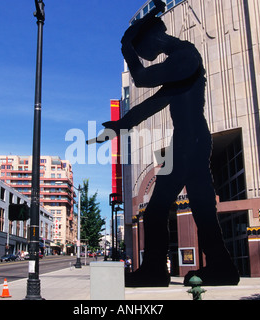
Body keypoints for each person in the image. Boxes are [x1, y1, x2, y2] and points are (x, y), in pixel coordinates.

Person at [96, 1, 239, 287]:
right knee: (200, 205)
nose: (141, 55)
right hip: (190, 139)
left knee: (158, 208)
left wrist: (126, 48)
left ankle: (154, 270)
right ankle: (221, 265)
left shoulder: (185, 56)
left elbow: (142, 79)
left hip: (190, 139)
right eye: (136, 53)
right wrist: (122, 124)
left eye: (139, 49)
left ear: (151, 37)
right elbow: (156, 101)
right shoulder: (180, 61)